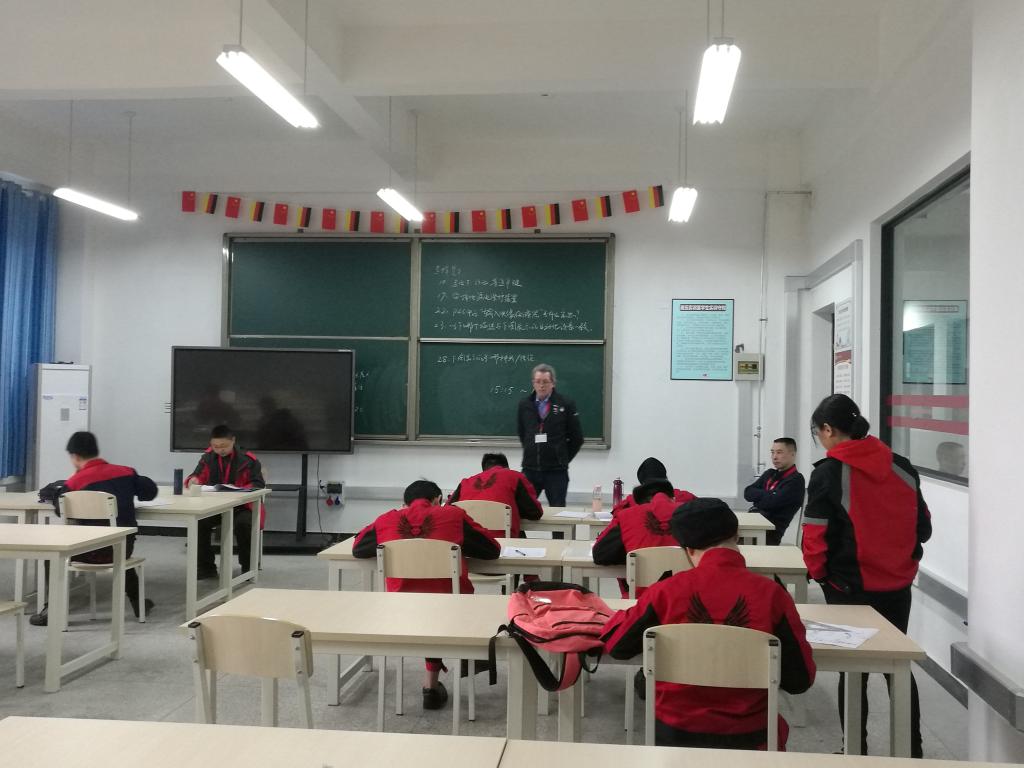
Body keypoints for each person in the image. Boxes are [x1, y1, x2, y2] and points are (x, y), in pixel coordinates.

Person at [602, 498, 816, 749]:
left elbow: (618, 646)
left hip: (674, 737)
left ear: (687, 549)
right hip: (752, 740)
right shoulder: (772, 595)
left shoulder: (666, 591)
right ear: (736, 535)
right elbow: (799, 680)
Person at [802, 393, 932, 758]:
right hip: (898, 584)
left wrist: (820, 575)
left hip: (848, 588)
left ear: (828, 429)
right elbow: (923, 527)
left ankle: (854, 751)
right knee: (896, 664)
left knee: (853, 669)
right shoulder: (902, 466)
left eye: (818, 433)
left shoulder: (828, 473)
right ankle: (912, 752)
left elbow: (814, 534)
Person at [352, 480, 500, 710]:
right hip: (454, 613)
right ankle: (436, 681)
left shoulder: (386, 520)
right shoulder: (453, 515)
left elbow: (358, 549)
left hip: (400, 613)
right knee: (439, 599)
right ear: (438, 499)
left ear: (404, 503)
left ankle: (430, 684)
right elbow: (492, 549)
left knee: (425, 600)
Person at [30, 431, 157, 626]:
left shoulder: (74, 483)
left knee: (52, 554)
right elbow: (150, 492)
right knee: (118, 548)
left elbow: (60, 510)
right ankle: (138, 603)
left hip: (86, 551)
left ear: (75, 456)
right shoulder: (126, 472)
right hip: (122, 548)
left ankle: (52, 609)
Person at [185, 424, 265, 580]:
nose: (220, 450)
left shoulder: (248, 460)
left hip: (243, 506)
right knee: (199, 522)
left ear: (233, 441)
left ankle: (248, 568)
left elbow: (258, 484)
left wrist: (239, 491)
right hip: (214, 506)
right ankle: (206, 568)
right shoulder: (207, 458)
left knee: (244, 524)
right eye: (215, 446)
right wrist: (193, 480)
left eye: (224, 446)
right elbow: (196, 476)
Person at [593, 478, 683, 598]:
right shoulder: (690, 513)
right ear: (673, 499)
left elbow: (600, 555)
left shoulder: (627, 516)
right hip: (687, 597)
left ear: (639, 503)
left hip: (641, 600)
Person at [516, 363, 583, 507]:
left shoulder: (565, 404)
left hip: (556, 472)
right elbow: (522, 433)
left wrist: (562, 458)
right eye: (538, 381)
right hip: (530, 469)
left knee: (558, 511)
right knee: (522, 510)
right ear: (533, 383)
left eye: (545, 382)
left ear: (553, 383)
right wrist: (531, 450)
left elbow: (577, 438)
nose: (541, 386)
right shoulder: (525, 404)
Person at [449, 452, 543, 536]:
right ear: (507, 468)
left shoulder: (465, 483)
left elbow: (448, 510)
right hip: (504, 540)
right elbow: (535, 513)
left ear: (483, 470)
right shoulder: (515, 476)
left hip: (470, 541)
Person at [743, 438, 806, 545]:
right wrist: (770, 495)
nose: (774, 457)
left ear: (793, 454)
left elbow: (772, 503)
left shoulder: (796, 480)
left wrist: (758, 500)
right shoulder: (770, 474)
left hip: (769, 535)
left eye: (779, 452)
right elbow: (747, 493)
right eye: (772, 452)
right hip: (754, 526)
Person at [611, 457, 697, 516]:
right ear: (665, 478)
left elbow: (616, 514)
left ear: (642, 484)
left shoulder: (632, 501)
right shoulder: (686, 497)